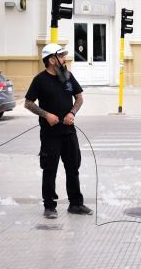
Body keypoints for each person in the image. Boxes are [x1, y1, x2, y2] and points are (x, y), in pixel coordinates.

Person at [24, 43, 92, 219]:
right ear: (51, 60)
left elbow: (79, 98)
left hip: (69, 132)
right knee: (50, 170)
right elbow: (28, 103)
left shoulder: (68, 77)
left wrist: (72, 112)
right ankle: (49, 206)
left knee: (73, 168)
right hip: (50, 135)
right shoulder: (39, 80)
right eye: (61, 56)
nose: (64, 59)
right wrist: (46, 115)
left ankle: (76, 204)